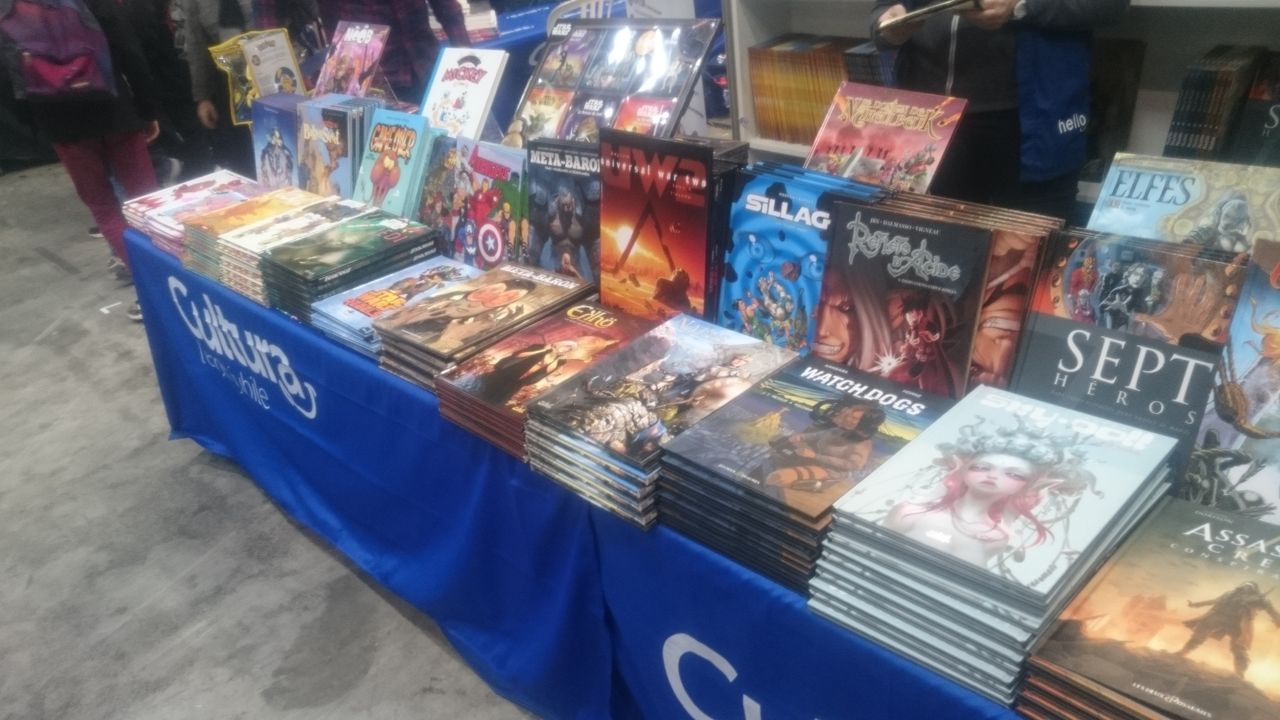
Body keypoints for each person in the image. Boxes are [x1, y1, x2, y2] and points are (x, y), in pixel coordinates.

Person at [874, 0, 1130, 220]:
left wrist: (1021, 5)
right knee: (935, 248)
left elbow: (1110, 6)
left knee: (1026, 250)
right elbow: (884, 9)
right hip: (928, 121)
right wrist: (886, 24)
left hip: (1029, 123)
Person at [22, 0, 162, 321]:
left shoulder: (15, 10)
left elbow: (14, 77)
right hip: (115, 111)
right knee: (147, 201)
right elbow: (130, 53)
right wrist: (148, 109)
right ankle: (170, 277)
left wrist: (39, 126)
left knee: (104, 208)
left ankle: (150, 289)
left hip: (63, 124)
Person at [884, 420, 1089, 567]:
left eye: (1013, 474)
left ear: (1029, 485)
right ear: (962, 468)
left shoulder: (997, 537)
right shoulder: (910, 512)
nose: (992, 476)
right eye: (982, 467)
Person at [316, 0, 470, 103]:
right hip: (369, 80)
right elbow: (331, 19)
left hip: (425, 65)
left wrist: (466, 54)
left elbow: (446, 7)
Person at [177, 0, 254, 175]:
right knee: (242, 159)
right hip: (227, 83)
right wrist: (203, 97)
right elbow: (197, 44)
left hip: (275, 69)